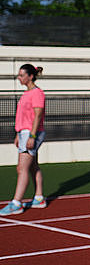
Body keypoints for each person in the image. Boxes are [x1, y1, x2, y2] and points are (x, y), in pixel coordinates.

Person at [0, 64, 46, 215]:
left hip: (31, 133)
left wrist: (31, 135)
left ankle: (16, 203)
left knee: (22, 168)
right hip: (24, 132)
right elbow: (23, 117)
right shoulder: (27, 93)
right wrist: (18, 135)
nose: (19, 78)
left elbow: (37, 115)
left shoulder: (37, 93)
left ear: (30, 76)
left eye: (21, 75)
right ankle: (39, 198)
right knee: (32, 166)